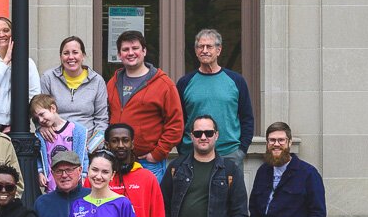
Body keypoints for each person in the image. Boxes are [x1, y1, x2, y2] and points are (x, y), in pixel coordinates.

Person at [106, 29, 185, 183]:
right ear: (119, 54)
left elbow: (176, 124)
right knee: (117, 206)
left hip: (148, 163)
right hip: (116, 161)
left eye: (135, 48)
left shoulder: (163, 84)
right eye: (125, 49)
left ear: (144, 51)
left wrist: (157, 154)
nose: (130, 53)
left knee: (147, 206)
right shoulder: (113, 82)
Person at [177, 28, 256, 161]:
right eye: (201, 47)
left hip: (229, 154)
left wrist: (241, 150)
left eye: (209, 46)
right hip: (192, 154)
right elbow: (178, 120)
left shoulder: (236, 81)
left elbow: (246, 118)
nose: (205, 50)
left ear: (218, 50)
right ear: (196, 51)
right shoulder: (185, 83)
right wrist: (182, 149)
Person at [40, 36, 109, 152]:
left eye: (75, 52)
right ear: (60, 57)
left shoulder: (97, 81)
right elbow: (39, 110)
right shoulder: (48, 78)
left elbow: (101, 120)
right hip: (55, 145)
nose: (71, 57)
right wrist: (41, 127)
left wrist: (91, 148)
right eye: (66, 53)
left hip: (87, 147)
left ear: (83, 56)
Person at [32, 92, 90, 189]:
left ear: (53, 108)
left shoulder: (75, 130)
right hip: (53, 185)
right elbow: (39, 156)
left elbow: (83, 155)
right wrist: (40, 171)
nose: (41, 120)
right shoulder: (41, 135)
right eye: (37, 118)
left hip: (74, 183)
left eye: (42, 114)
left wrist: (83, 175)